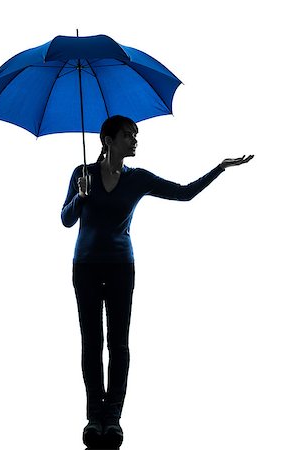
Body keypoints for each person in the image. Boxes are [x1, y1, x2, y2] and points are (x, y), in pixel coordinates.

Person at [61, 115, 254, 448]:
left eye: (135, 135)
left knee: (118, 344)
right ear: (108, 140)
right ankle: (95, 418)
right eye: (128, 135)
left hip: (121, 267)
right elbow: (66, 219)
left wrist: (219, 168)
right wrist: (80, 197)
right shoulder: (83, 174)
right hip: (86, 268)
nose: (135, 140)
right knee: (92, 343)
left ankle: (114, 420)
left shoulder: (138, 179)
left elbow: (184, 194)